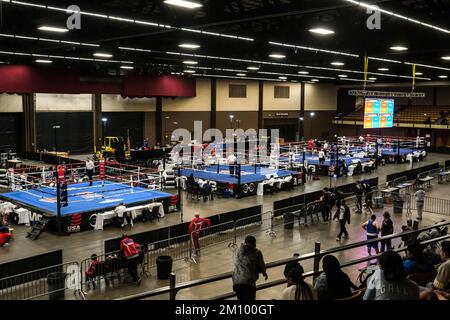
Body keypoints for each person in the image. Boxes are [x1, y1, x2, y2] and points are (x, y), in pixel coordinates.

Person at [232, 235, 268, 301]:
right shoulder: (257, 252)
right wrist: (264, 272)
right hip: (248, 283)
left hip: (237, 282)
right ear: (254, 243)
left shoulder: (238, 250)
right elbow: (262, 266)